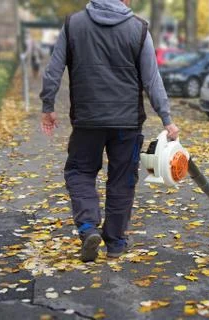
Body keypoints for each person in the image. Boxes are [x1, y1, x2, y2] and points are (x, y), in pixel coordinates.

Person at [39, 0, 179, 262]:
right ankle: (115, 242)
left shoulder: (73, 24)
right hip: (127, 123)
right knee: (122, 180)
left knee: (79, 172)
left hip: (86, 121)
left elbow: (53, 70)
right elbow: (151, 79)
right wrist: (166, 119)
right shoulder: (138, 29)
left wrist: (48, 105)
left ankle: (88, 227)